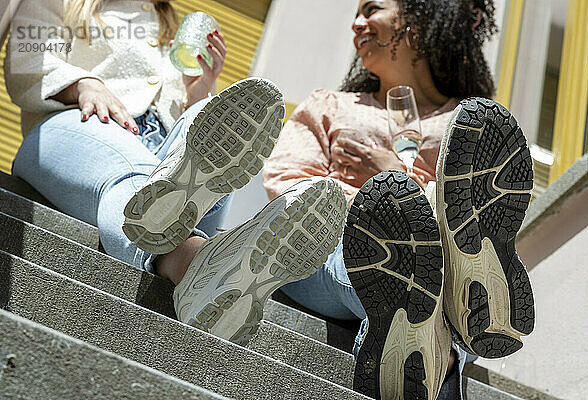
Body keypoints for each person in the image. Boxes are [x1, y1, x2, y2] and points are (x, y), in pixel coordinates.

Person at [4, 0, 348, 346]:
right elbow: (27, 61)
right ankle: (206, 258)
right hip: (81, 128)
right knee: (137, 179)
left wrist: (198, 90)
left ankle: (191, 253)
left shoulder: (171, 31)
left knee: (202, 117)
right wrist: (85, 84)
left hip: (163, 151)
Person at [263, 0, 535, 399]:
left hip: (431, 251)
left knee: (418, 262)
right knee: (395, 257)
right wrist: (379, 202)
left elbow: (484, 210)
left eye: (371, 8)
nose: (357, 23)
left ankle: (420, 308)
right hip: (321, 249)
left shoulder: (468, 126)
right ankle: (452, 297)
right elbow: (287, 185)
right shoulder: (331, 105)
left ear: (418, 15)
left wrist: (388, 173)